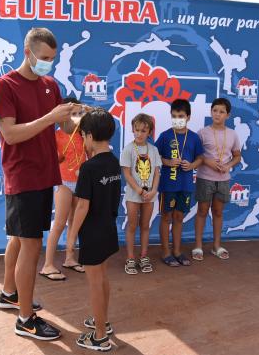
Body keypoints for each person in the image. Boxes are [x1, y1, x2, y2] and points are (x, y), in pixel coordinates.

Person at [0, 28, 76, 340]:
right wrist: (49, 117)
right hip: (22, 174)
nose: (48, 64)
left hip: (45, 172)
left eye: (52, 59)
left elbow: (62, 124)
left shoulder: (51, 85)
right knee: (30, 245)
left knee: (19, 238)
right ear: (27, 53)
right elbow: (10, 135)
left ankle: (10, 294)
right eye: (44, 58)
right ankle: (26, 319)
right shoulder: (4, 86)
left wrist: (74, 116)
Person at [66, 108, 120, 352]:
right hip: (108, 229)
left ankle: (99, 337)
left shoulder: (89, 168)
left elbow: (81, 207)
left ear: (88, 136)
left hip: (93, 233)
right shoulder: (113, 161)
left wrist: (70, 239)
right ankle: (103, 323)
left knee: (95, 283)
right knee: (103, 278)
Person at [39, 97, 87, 281]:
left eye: (78, 114)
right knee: (59, 223)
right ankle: (48, 264)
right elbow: (50, 159)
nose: (76, 117)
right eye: (71, 114)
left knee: (74, 222)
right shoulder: (56, 135)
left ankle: (69, 258)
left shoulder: (83, 133)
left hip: (80, 183)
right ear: (62, 116)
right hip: (63, 183)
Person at [155, 99, 204, 267]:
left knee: (179, 217)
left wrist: (191, 165)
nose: (177, 119)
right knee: (166, 217)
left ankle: (176, 251)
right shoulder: (165, 136)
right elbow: (156, 156)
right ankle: (165, 251)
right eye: (174, 116)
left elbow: (200, 158)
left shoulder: (194, 138)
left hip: (185, 185)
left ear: (188, 117)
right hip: (168, 185)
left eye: (181, 116)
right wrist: (168, 162)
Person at [193, 98, 241, 261]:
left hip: (223, 179)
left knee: (218, 212)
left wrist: (228, 166)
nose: (217, 114)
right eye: (215, 111)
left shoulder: (232, 134)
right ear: (211, 112)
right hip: (205, 177)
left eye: (221, 112)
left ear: (228, 115)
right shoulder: (202, 132)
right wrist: (207, 161)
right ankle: (198, 246)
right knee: (202, 211)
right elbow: (197, 155)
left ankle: (216, 246)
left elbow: (237, 156)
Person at [120, 113, 161, 274]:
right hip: (133, 195)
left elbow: (157, 172)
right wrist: (138, 190)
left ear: (149, 132)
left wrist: (153, 191)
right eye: (136, 130)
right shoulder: (128, 149)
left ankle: (144, 256)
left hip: (149, 196)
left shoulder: (154, 150)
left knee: (145, 226)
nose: (139, 133)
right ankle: (130, 258)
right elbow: (127, 173)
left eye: (143, 131)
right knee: (132, 225)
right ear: (132, 129)